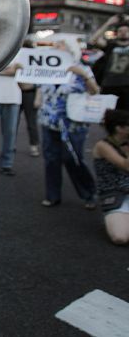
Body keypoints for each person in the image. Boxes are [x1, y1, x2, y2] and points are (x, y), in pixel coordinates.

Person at [36, 38, 98, 208]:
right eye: (55, 45)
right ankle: (52, 195)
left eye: (60, 44)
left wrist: (83, 75)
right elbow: (33, 88)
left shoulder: (82, 68)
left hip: (73, 123)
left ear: (71, 50)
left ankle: (89, 193)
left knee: (73, 158)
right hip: (48, 120)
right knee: (51, 159)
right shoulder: (47, 68)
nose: (56, 47)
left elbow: (95, 91)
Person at [92, 109, 129, 245]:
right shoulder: (102, 146)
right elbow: (126, 166)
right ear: (119, 128)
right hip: (114, 193)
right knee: (120, 237)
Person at [89, 14, 129, 109]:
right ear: (116, 33)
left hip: (127, 86)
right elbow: (93, 40)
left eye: (127, 31)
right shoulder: (110, 46)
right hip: (109, 85)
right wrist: (108, 23)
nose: (123, 33)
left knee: (125, 117)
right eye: (120, 31)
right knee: (107, 116)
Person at [18, 39, 41, 157]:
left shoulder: (35, 61)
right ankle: (12, 145)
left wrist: (38, 98)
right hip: (16, 93)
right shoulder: (17, 59)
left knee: (31, 122)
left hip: (29, 93)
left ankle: (34, 145)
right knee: (13, 123)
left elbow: (39, 82)